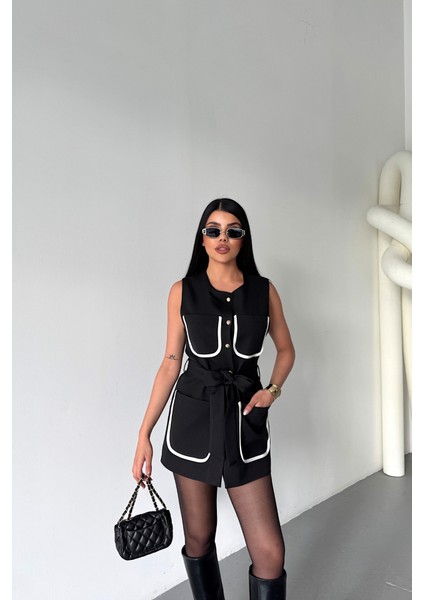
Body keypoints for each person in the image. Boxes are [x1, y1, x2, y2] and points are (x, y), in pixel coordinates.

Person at [132, 198, 295, 599]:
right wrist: (144, 433)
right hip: (192, 424)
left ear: (243, 239)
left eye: (233, 230)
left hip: (245, 423)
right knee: (199, 538)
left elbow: (286, 350)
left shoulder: (264, 291)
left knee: (270, 552)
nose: (223, 237)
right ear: (202, 239)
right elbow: (171, 363)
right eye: (213, 230)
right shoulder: (182, 292)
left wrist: (272, 390)